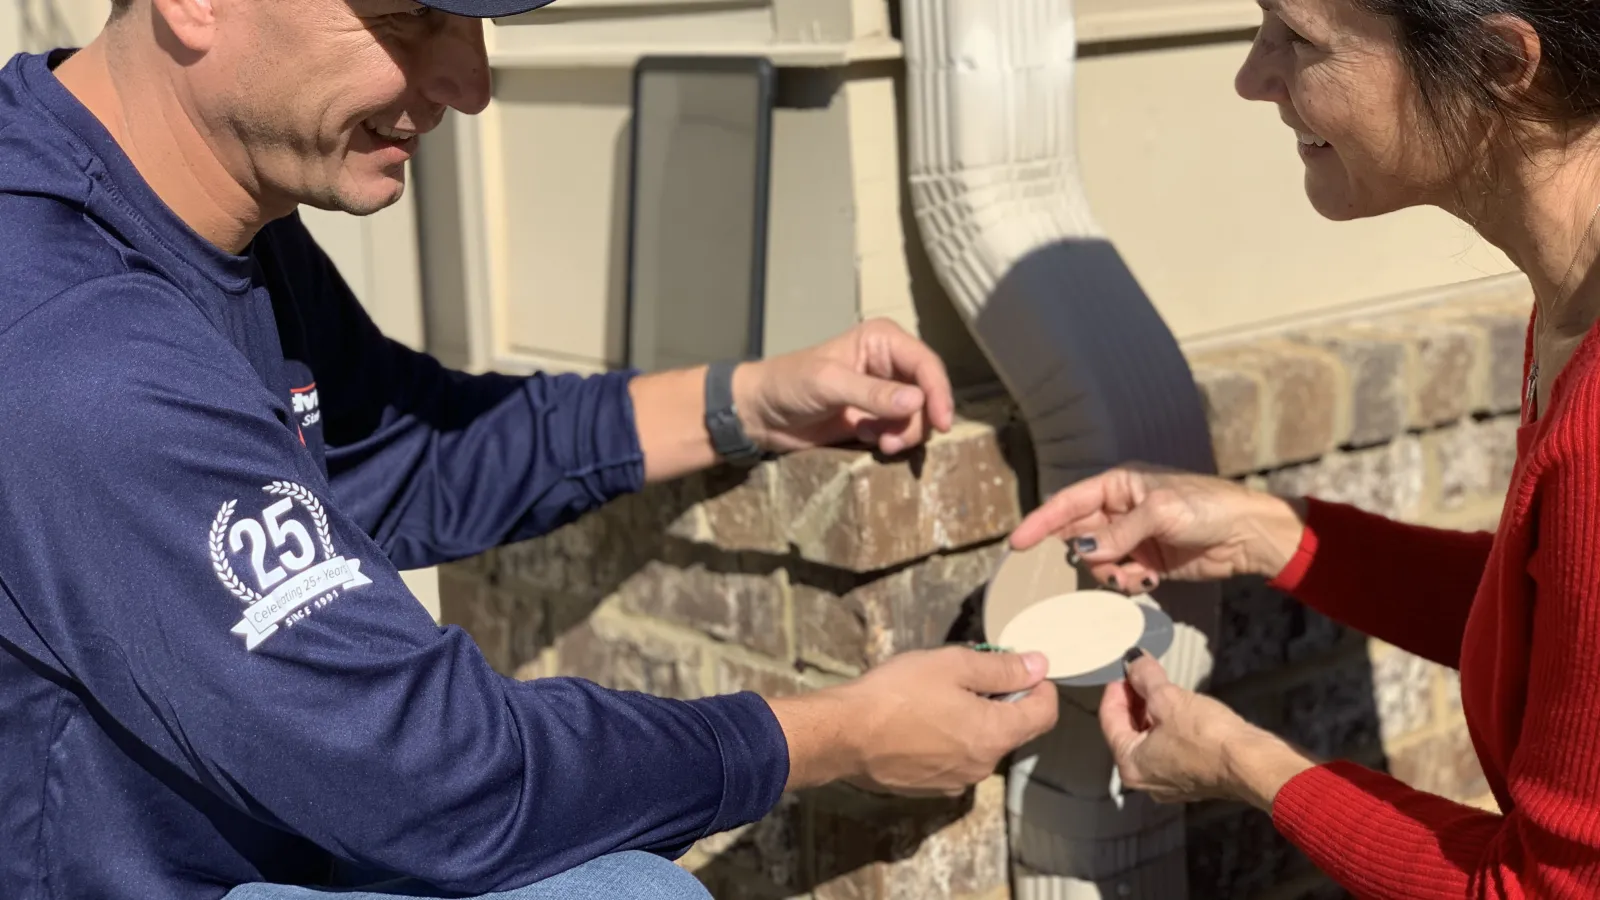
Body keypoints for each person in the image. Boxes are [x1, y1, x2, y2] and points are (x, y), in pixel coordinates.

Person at [0, 1, 1062, 899]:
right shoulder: (76, 349)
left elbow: (405, 453)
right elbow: (434, 777)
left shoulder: (203, 219)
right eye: (415, 18)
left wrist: (754, 401)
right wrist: (832, 736)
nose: (468, 82)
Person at [1013, 0, 1600, 896]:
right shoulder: (1572, 298)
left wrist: (1244, 763)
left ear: (1498, 64)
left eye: (1300, 39)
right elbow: (1558, 634)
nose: (1254, 78)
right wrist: (1273, 531)